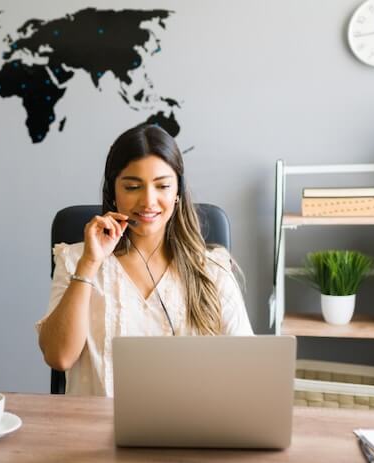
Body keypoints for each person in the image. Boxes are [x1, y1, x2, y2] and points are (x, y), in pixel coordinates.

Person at [36, 124, 253, 396]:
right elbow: (59, 357)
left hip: (189, 430)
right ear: (113, 192)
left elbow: (246, 369)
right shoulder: (77, 259)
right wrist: (90, 264)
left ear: (177, 193)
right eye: (132, 186)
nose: (148, 201)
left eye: (162, 185)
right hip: (92, 432)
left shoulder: (211, 268)